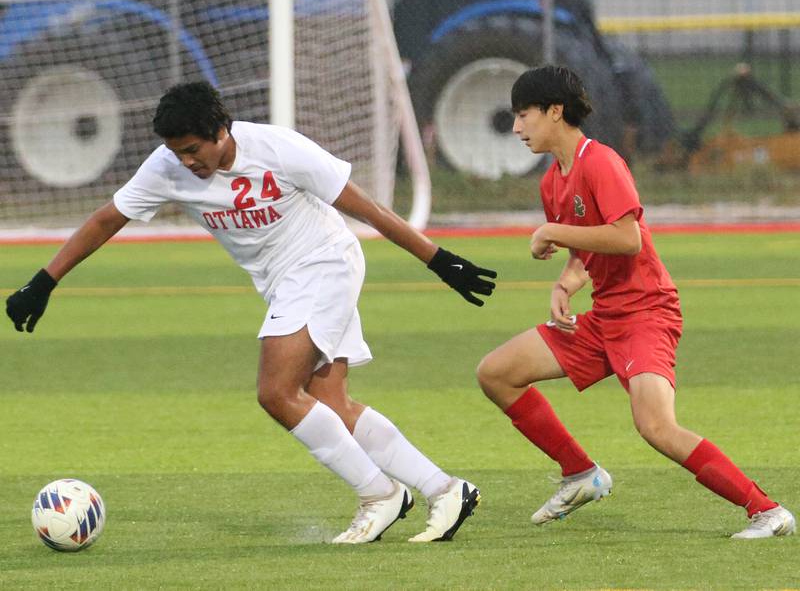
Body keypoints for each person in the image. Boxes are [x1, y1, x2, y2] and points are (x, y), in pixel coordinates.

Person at [6, 81, 496, 544]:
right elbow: (106, 218)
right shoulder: (166, 166)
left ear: (222, 131)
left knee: (278, 393)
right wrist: (45, 280)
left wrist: (438, 259)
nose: (186, 161)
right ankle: (445, 490)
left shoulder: (280, 148)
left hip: (323, 263)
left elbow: (366, 208)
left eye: (194, 149)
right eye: (178, 151)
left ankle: (380, 495)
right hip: (283, 283)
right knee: (331, 404)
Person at [475, 65, 795, 539]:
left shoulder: (601, 162)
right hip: (605, 315)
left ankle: (767, 510)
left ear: (555, 111)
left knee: (656, 427)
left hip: (646, 313)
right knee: (496, 373)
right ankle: (581, 473)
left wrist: (552, 232)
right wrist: (565, 283)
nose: (517, 128)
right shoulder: (552, 182)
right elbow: (587, 252)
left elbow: (627, 238)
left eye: (524, 115)